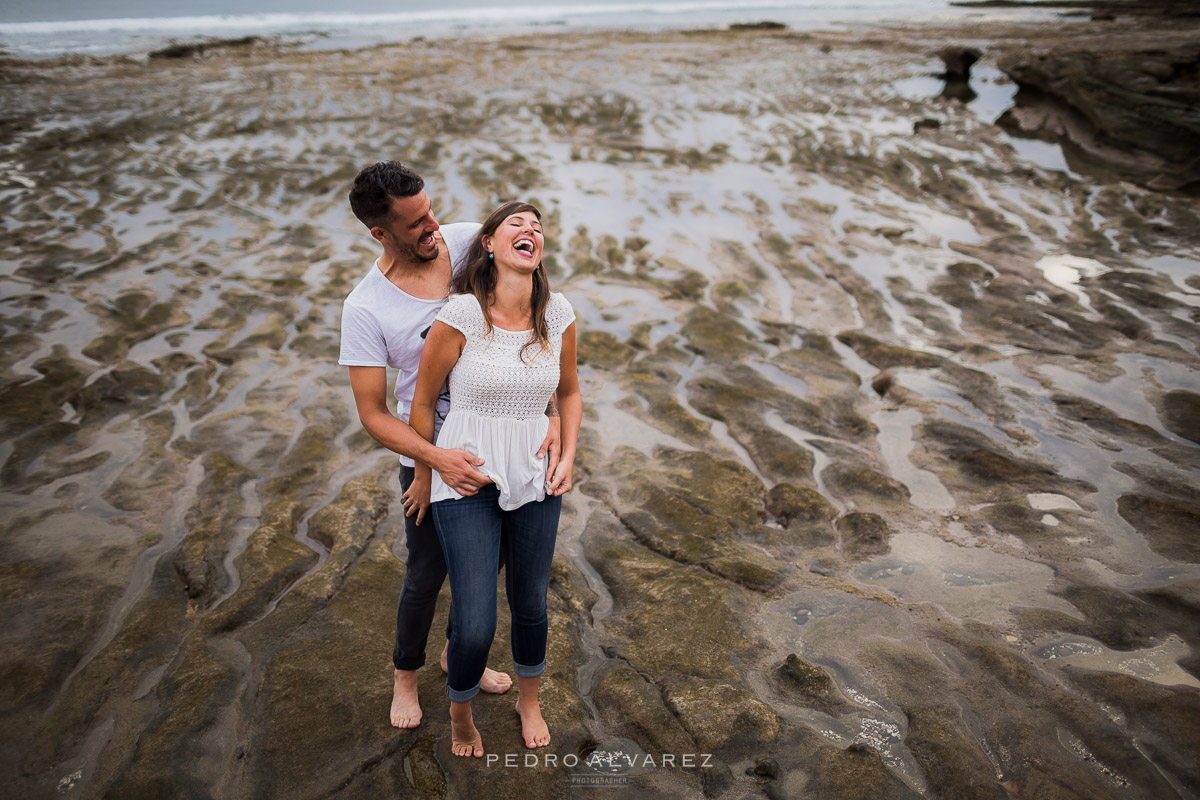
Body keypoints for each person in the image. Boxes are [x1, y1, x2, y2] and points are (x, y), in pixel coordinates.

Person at [339, 163, 561, 729]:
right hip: (429, 453)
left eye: (431, 210)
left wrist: (552, 413)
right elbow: (373, 413)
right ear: (379, 233)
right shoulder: (366, 307)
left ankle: (458, 652)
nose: (433, 227)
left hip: (501, 441)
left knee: (481, 570)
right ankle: (406, 678)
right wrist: (428, 464)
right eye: (415, 223)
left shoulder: (466, 242)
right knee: (425, 572)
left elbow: (536, 327)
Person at [409, 201, 581, 758]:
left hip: (535, 474)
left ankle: (528, 700)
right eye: (516, 224)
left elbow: (570, 392)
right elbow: (423, 399)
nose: (530, 230)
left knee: (531, 601)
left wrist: (569, 454)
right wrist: (427, 468)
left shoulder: (558, 316)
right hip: (465, 480)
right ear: (488, 243)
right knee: (477, 621)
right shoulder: (460, 314)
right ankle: (461, 714)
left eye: (537, 226)